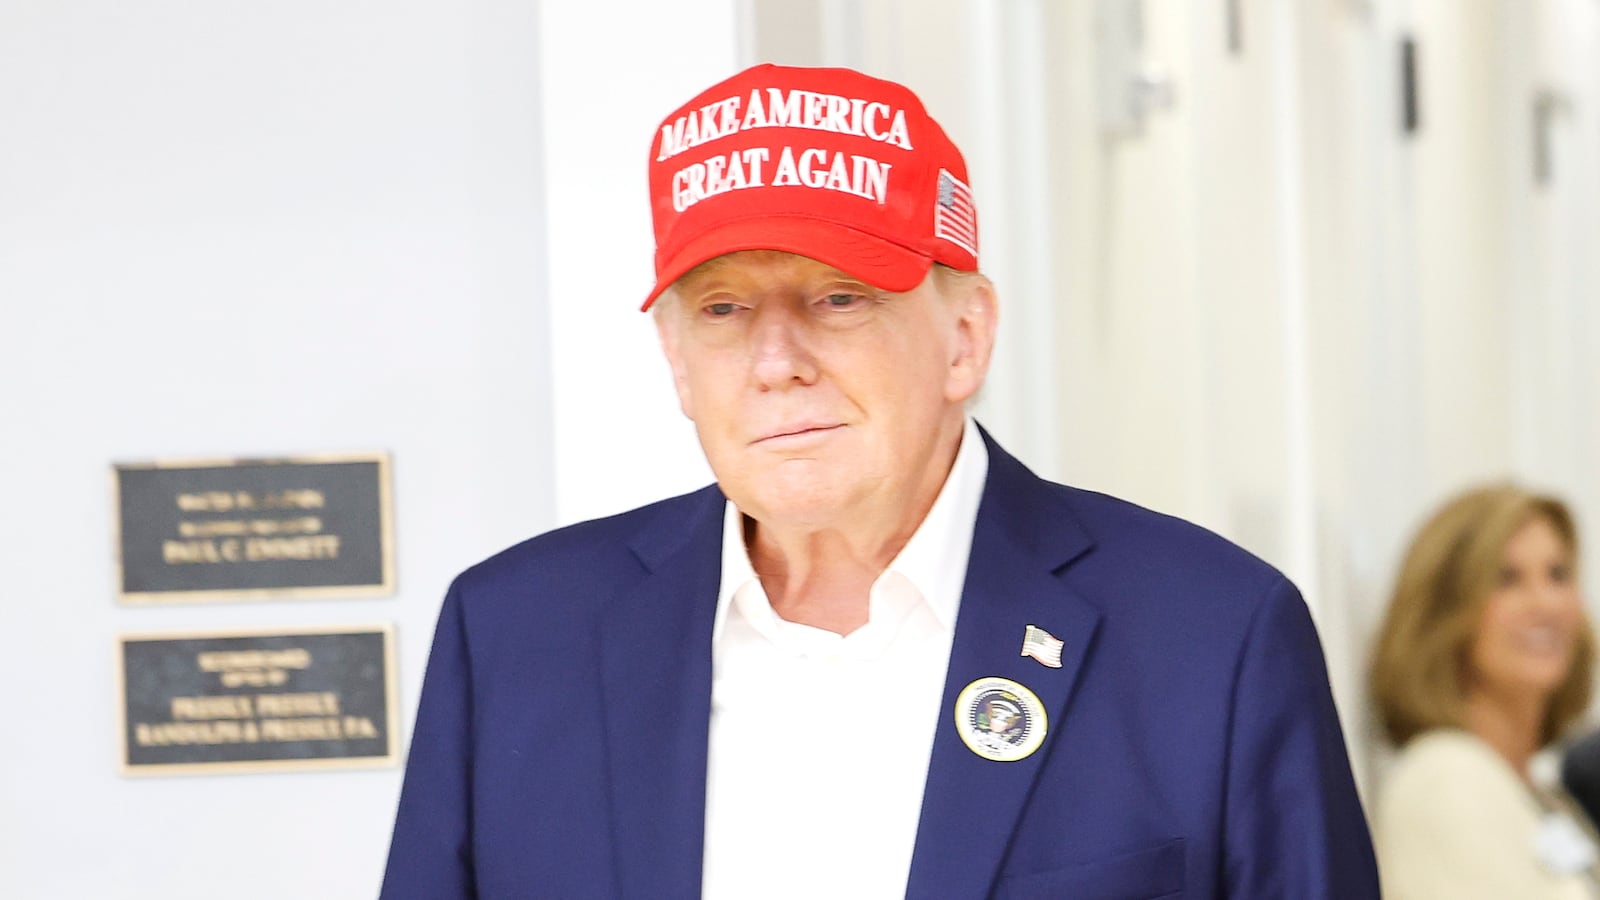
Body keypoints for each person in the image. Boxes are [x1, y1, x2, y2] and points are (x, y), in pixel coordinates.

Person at [380, 62, 1377, 899]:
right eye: (722, 309)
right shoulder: (515, 639)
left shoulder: (1210, 638)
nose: (776, 360)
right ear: (676, 361)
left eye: (837, 296)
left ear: (964, 336)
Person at [1370, 484, 1600, 899]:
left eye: (1558, 575)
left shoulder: (1542, 790)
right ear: (1444, 615)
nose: (1545, 602)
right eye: (1507, 580)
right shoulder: (1442, 779)